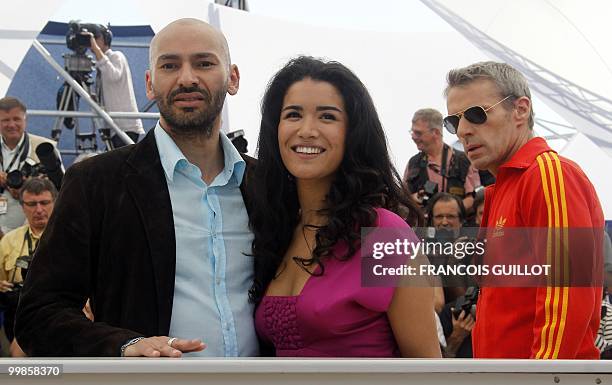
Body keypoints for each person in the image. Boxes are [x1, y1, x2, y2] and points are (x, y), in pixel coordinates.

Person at [15, 18, 258, 357]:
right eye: (170, 65)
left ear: (232, 78)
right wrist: (124, 346)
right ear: (149, 83)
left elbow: (361, 273)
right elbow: (37, 316)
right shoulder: (96, 183)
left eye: (204, 63)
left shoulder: (266, 185)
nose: (187, 78)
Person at [249, 56, 441, 357]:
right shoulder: (277, 230)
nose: (307, 130)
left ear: (352, 133)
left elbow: (428, 368)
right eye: (293, 114)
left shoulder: (386, 235)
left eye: (327, 117)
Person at [444, 61, 604, 358]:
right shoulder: (506, 187)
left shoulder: (546, 174)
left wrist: (539, 379)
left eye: (476, 114)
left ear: (520, 109)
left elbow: (565, 297)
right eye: (454, 122)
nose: (463, 130)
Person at [0, 178, 57, 357]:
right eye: (32, 204)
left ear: (56, 202)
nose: (39, 210)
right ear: (22, 206)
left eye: (44, 203)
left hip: (59, 312)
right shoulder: (9, 241)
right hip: (16, 313)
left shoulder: (71, 237)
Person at [0, 97, 63, 234]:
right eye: (5, 120)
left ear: (25, 120)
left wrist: (30, 186)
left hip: (31, 234)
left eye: (16, 119)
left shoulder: (46, 148)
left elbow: (61, 189)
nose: (11, 124)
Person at [403, 108, 480, 211]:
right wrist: (413, 198)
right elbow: (402, 200)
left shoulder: (463, 160)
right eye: (412, 132)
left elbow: (474, 198)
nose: (413, 137)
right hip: (423, 226)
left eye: (418, 133)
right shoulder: (413, 163)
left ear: (436, 132)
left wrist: (448, 212)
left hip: (457, 227)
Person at [87, 24, 144, 148]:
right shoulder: (101, 64)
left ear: (105, 39)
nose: (93, 43)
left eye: (96, 38)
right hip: (113, 126)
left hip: (126, 126)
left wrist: (96, 50)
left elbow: (113, 75)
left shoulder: (116, 56)